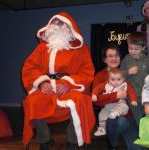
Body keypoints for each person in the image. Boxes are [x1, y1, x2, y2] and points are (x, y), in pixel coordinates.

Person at [21, 12, 95, 150]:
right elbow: (29, 67)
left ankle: (73, 141)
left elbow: (87, 72)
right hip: (47, 86)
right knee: (31, 102)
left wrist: (67, 83)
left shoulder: (82, 49)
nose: (59, 26)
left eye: (63, 23)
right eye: (56, 23)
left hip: (70, 87)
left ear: (70, 27)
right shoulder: (42, 48)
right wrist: (42, 83)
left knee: (79, 101)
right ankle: (45, 140)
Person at [92, 43, 144, 150]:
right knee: (120, 121)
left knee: (138, 148)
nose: (114, 58)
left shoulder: (126, 72)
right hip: (109, 115)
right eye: (110, 56)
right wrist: (115, 95)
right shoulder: (100, 76)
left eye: (116, 55)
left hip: (130, 116)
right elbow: (96, 101)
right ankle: (113, 145)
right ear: (104, 60)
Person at [92, 68, 138, 136]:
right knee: (101, 114)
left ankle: (116, 113)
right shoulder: (106, 85)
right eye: (113, 80)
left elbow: (131, 92)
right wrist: (94, 95)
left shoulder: (125, 85)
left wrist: (133, 100)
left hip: (120, 103)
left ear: (123, 79)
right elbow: (97, 88)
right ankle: (102, 129)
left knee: (124, 107)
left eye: (119, 79)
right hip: (108, 106)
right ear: (108, 79)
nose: (116, 82)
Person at [120, 32, 149, 124]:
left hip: (146, 95)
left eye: (136, 49)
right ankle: (143, 136)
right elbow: (120, 75)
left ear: (143, 48)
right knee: (139, 119)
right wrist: (128, 72)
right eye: (130, 48)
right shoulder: (126, 59)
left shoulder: (146, 60)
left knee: (147, 116)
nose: (133, 51)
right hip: (132, 96)